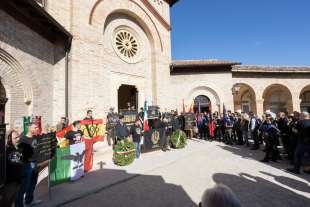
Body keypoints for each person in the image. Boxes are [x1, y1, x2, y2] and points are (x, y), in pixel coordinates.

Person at [4, 130, 32, 207]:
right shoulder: (8, 151)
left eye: (18, 137)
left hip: (22, 180)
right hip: (14, 183)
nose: (18, 139)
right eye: (15, 138)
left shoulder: (20, 147)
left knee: (19, 201)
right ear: (9, 139)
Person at [18, 123, 42, 207]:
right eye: (35, 128)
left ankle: (29, 200)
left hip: (36, 163)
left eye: (37, 127)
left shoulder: (36, 137)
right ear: (29, 128)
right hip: (28, 164)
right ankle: (21, 203)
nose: (37, 129)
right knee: (26, 184)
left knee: (33, 183)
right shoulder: (23, 139)